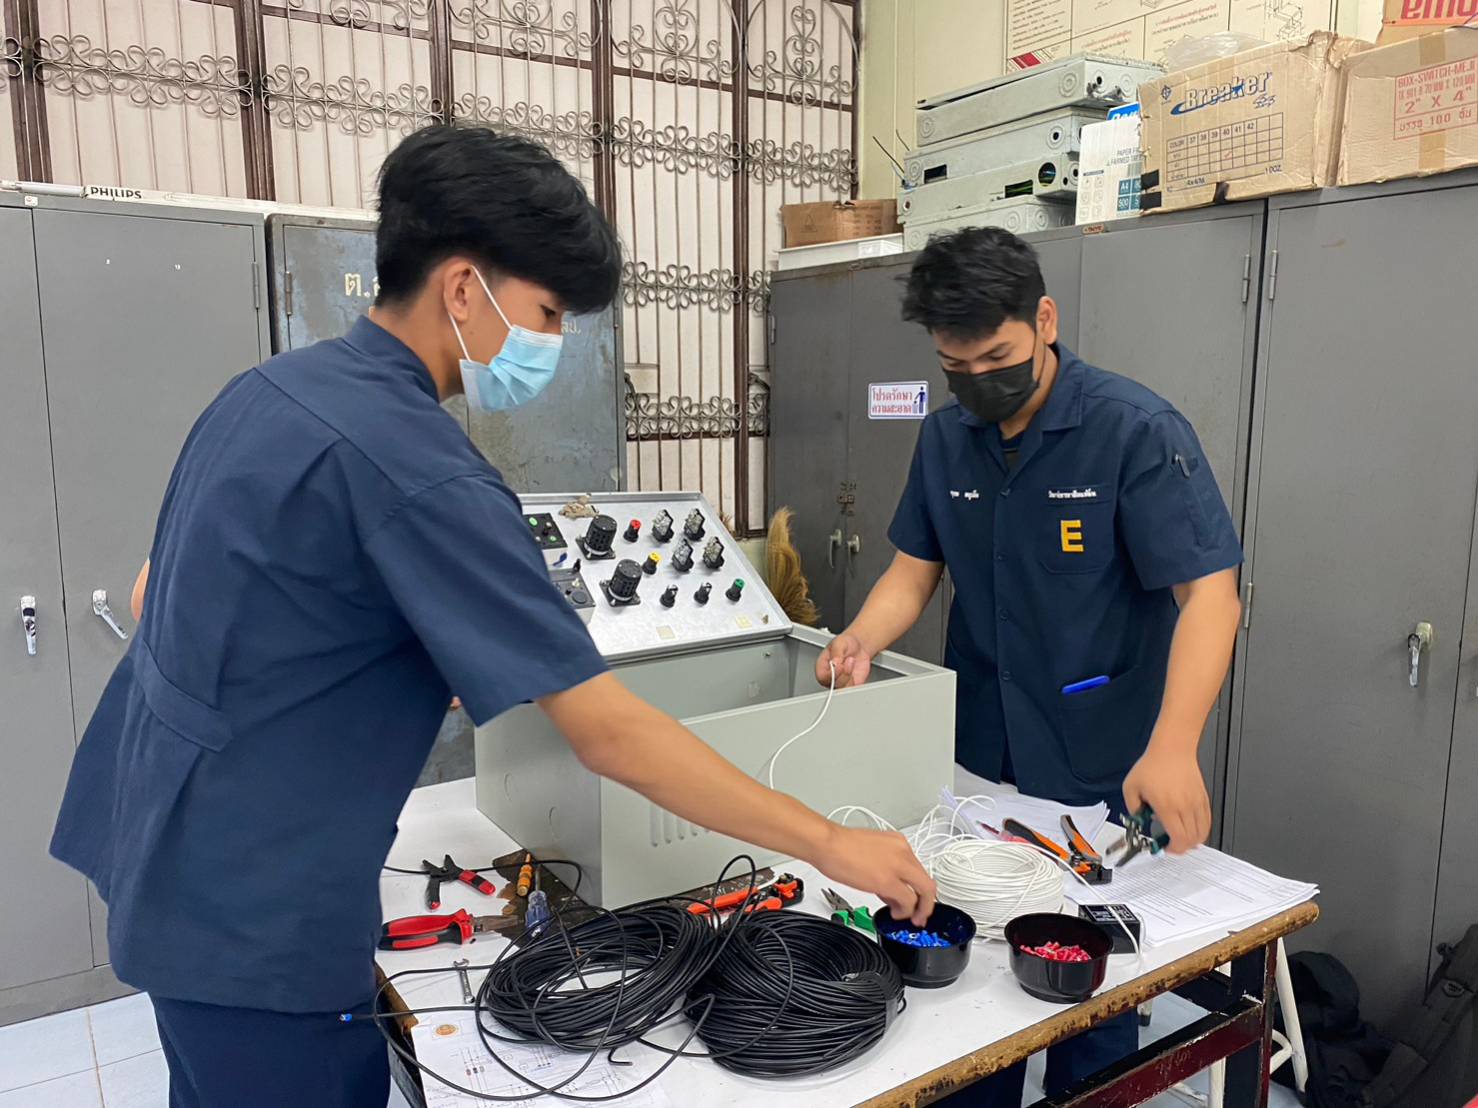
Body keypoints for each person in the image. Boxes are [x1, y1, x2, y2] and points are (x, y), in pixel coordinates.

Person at [49, 123, 935, 1108]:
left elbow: (156, 591)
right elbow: (609, 734)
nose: (553, 342)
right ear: (464, 289)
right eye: (548, 311)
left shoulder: (265, 391)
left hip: (160, 854)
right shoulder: (422, 470)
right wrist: (830, 842)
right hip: (258, 923)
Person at [815, 226, 1243, 1105]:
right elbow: (914, 569)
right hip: (983, 751)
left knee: (1087, 990)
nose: (979, 380)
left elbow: (1211, 595)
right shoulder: (947, 438)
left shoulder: (1133, 430)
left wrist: (1174, 745)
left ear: (1045, 320)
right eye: (956, 365)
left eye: (998, 359)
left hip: (1102, 762)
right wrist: (861, 638)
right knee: (976, 991)